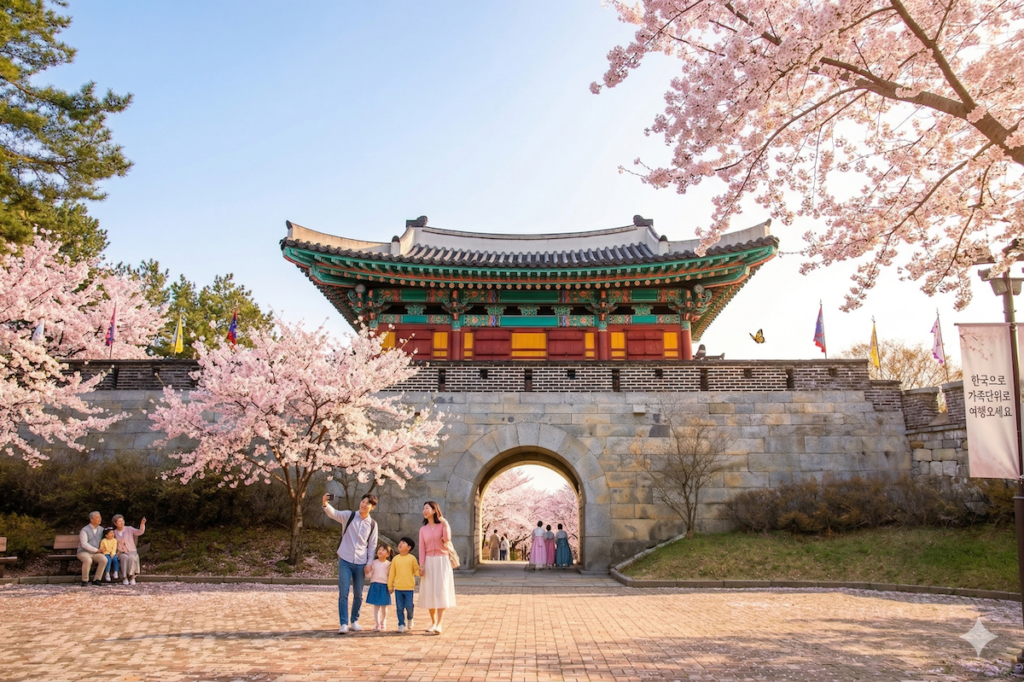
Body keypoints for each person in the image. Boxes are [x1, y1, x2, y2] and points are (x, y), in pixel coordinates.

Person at [323, 492, 379, 634]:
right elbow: (334, 513)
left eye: (367, 503)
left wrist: (369, 562)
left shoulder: (372, 524)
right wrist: (325, 503)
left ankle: (354, 620)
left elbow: (372, 546)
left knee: (359, 594)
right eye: (363, 501)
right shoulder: (350, 516)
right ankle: (343, 623)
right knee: (343, 593)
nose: (363, 504)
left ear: (372, 507)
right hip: (345, 560)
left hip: (361, 562)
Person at [418, 501, 456, 634]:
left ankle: (440, 624)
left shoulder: (442, 525)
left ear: (434, 510)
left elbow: (447, 539)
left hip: (442, 560)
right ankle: (433, 622)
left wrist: (445, 524)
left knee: (441, 591)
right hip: (429, 561)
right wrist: (421, 565)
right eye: (423, 509)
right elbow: (422, 549)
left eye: (427, 508)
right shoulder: (423, 530)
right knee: (430, 591)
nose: (424, 510)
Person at [388, 537, 419, 633]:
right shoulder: (395, 559)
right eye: (400, 542)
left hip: (409, 588)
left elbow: (416, 571)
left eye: (403, 543)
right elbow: (392, 573)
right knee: (399, 607)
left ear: (409, 547)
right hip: (398, 588)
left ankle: (410, 618)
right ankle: (401, 624)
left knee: (409, 606)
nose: (400, 544)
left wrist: (421, 572)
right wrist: (390, 586)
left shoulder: (412, 558)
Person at [365, 545, 393, 631]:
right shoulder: (373, 563)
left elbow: (390, 576)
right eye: (379, 549)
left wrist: (391, 586)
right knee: (376, 606)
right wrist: (367, 572)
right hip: (375, 585)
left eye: (383, 550)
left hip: (384, 586)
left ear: (388, 554)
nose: (380, 551)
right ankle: (377, 623)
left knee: (384, 606)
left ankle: (383, 621)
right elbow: (370, 575)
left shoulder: (389, 564)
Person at [112, 514, 146, 585]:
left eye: (122, 520)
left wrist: (142, 524)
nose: (122, 522)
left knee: (131, 557)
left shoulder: (129, 529)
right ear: (115, 523)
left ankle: (132, 577)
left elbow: (139, 532)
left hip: (131, 550)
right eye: (119, 521)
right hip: (121, 552)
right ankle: (124, 577)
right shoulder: (114, 533)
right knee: (124, 557)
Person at [77, 511, 108, 587]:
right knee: (88, 560)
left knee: (104, 559)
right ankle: (85, 580)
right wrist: (96, 550)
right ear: (91, 519)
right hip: (83, 552)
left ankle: (97, 579)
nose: (99, 519)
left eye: (100, 517)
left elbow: (105, 540)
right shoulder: (84, 530)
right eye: (97, 517)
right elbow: (84, 544)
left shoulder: (101, 529)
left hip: (95, 553)